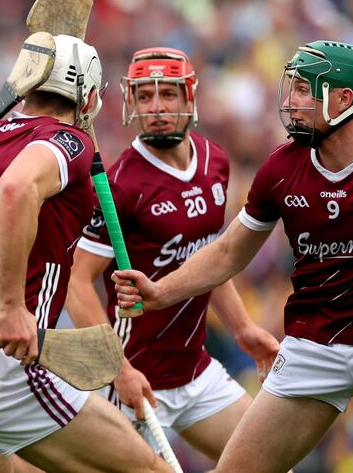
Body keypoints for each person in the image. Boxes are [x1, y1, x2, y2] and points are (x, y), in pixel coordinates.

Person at [112, 40, 353, 472]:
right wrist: (159, 292)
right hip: (314, 345)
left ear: (344, 100)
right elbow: (226, 253)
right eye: (290, 87)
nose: (289, 101)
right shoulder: (281, 169)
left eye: (303, 90)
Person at [0, 35, 172, 472]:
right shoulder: (70, 140)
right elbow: (17, 188)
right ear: (89, 97)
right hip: (0, 353)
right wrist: (12, 306)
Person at [65, 47, 280, 463]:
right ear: (131, 103)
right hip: (135, 380)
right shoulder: (121, 183)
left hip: (197, 371)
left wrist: (242, 330)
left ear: (190, 97)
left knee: (272, 460)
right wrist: (118, 371)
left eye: (169, 94)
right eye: (145, 96)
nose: (157, 107)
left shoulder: (214, 161)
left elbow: (212, 260)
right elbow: (77, 283)